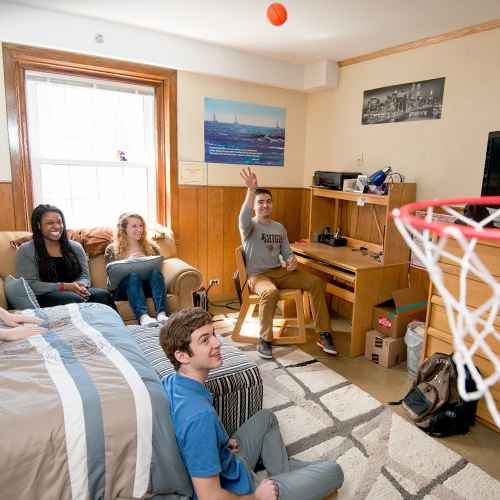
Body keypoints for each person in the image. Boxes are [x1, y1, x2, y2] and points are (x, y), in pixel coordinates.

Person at [160, 307, 343, 500]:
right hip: (242, 489)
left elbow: (189, 442)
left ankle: (280, 479)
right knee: (333, 470)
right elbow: (209, 497)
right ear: (182, 356)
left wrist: (216, 444)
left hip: (230, 463)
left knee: (267, 418)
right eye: (205, 340)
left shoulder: (172, 382)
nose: (218, 343)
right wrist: (257, 497)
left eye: (213, 334)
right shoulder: (199, 418)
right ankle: (275, 489)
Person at [239, 167, 338, 359]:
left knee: (315, 282)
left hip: (280, 272)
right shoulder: (249, 226)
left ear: (272, 204)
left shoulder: (279, 228)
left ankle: (324, 334)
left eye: (268, 202)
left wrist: (291, 260)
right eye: (260, 202)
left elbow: (286, 252)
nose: (265, 205)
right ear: (255, 205)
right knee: (270, 292)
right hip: (258, 276)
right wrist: (251, 190)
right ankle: (265, 339)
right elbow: (243, 216)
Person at [15, 204, 117, 311]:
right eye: (50, 223)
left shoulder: (75, 247)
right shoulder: (26, 250)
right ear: (38, 225)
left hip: (75, 291)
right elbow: (31, 285)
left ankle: (112, 328)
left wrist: (80, 287)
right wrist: (65, 287)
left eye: (59, 222)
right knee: (73, 299)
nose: (57, 226)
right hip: (44, 295)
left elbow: (85, 276)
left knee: (103, 295)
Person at [105, 212, 169, 327]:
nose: (138, 229)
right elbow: (111, 273)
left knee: (155, 273)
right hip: (124, 290)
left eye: (141, 226)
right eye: (134, 226)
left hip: (146, 288)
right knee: (133, 276)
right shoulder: (112, 250)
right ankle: (143, 318)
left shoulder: (151, 247)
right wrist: (128, 262)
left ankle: (162, 315)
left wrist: (146, 262)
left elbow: (158, 268)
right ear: (124, 228)